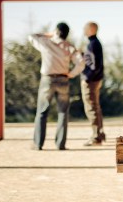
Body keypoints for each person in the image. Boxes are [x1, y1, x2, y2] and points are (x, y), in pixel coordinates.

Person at [29, 22, 85, 151]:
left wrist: (48, 34)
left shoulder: (46, 42)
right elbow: (81, 63)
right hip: (63, 80)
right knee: (63, 113)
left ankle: (38, 144)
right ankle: (60, 144)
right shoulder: (69, 47)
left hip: (47, 80)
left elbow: (31, 36)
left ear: (56, 31)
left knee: (42, 112)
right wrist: (71, 74)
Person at [81, 21, 106, 146]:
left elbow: (94, 65)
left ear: (91, 29)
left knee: (91, 108)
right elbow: (92, 60)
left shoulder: (93, 44)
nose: (83, 30)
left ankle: (96, 137)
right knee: (95, 107)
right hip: (96, 79)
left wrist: (87, 78)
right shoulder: (94, 43)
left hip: (91, 81)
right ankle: (99, 135)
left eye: (85, 28)